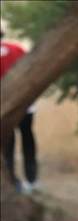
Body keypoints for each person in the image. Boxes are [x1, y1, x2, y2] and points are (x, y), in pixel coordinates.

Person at [1, 30, 38, 193]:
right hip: (26, 104)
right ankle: (32, 179)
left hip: (5, 106)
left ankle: (12, 180)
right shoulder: (16, 49)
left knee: (8, 142)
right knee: (27, 138)